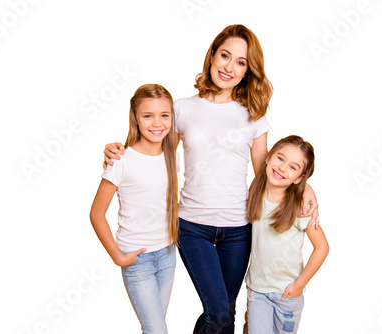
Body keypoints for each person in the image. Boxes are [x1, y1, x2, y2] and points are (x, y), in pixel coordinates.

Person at [103, 25, 320, 333]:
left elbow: (267, 171)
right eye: (225, 56)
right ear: (212, 56)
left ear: (248, 71)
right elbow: (154, 154)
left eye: (241, 62)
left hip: (238, 230)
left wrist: (306, 185)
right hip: (192, 228)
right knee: (217, 313)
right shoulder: (182, 109)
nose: (229, 67)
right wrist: (117, 149)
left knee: (227, 316)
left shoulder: (253, 115)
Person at [90, 83, 179, 333]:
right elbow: (96, 214)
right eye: (147, 116)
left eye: (164, 115)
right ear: (135, 118)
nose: (157, 123)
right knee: (157, 331)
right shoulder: (120, 161)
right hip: (137, 259)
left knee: (153, 328)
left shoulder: (173, 156)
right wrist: (118, 257)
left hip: (167, 255)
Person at [244, 135, 329, 333]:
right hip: (258, 292)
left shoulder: (301, 206)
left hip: (287, 294)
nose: (282, 168)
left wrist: (299, 285)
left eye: (293, 167)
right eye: (280, 158)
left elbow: (322, 247)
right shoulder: (254, 192)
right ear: (268, 157)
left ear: (299, 178)